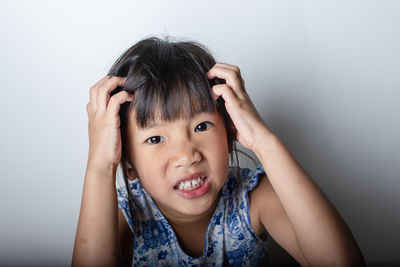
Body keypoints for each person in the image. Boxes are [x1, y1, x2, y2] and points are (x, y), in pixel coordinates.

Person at [72, 36, 366, 266]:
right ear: (129, 161)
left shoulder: (252, 197)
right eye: (155, 139)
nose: (187, 156)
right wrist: (100, 165)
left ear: (229, 132)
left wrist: (263, 140)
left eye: (201, 127)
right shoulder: (125, 215)